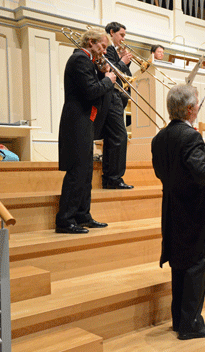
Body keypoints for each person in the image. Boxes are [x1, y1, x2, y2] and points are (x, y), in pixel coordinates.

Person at [152, 84, 205, 340]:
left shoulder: (159, 138)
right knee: (196, 263)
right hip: (194, 210)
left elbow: (161, 172)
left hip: (172, 208)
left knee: (180, 264)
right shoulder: (190, 136)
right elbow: (201, 170)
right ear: (190, 109)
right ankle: (191, 324)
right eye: (197, 105)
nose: (198, 109)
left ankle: (179, 320)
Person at [56, 28, 116, 234]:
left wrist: (101, 73)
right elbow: (91, 91)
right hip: (76, 121)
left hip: (84, 120)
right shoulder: (80, 59)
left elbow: (93, 90)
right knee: (77, 170)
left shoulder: (88, 60)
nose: (104, 51)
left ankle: (82, 214)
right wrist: (108, 80)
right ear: (91, 42)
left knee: (87, 171)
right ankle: (65, 219)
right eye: (103, 46)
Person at [96, 21, 134, 190]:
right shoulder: (108, 49)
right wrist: (122, 61)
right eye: (121, 35)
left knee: (116, 138)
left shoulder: (113, 51)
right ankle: (114, 178)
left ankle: (111, 178)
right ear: (112, 32)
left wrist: (124, 61)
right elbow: (110, 72)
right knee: (119, 137)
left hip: (116, 98)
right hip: (110, 97)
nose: (123, 39)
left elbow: (125, 75)